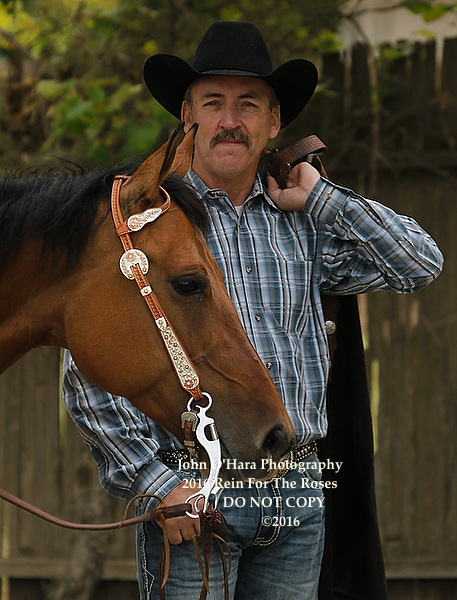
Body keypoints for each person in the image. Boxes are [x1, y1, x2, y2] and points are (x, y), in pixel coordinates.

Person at [62, 21, 443, 600]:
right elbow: (88, 368)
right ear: (187, 117)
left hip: (297, 492)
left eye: (248, 104)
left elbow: (419, 262)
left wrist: (322, 197)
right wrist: (154, 481)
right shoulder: (146, 223)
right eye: (213, 103)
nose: (230, 120)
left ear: (274, 122)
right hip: (194, 489)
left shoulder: (305, 224)